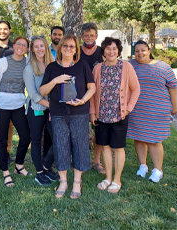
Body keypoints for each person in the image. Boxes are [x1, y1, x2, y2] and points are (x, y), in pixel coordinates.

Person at [40, 34, 96, 199]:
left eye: (72, 46)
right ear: (60, 48)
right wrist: (56, 80)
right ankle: (63, 181)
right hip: (58, 113)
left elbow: (91, 88)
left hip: (79, 112)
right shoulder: (52, 68)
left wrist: (83, 100)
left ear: (76, 50)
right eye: (65, 46)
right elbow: (43, 91)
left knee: (80, 145)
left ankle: (77, 182)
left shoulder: (82, 66)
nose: (68, 49)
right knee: (60, 145)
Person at [90, 37, 140, 193]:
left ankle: (117, 180)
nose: (111, 51)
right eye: (108, 48)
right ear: (103, 51)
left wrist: (129, 108)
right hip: (102, 115)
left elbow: (136, 89)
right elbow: (92, 92)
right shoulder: (97, 68)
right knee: (104, 146)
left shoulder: (126, 67)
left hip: (120, 115)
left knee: (118, 148)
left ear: (118, 50)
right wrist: (92, 112)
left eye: (114, 48)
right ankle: (108, 177)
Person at [127, 40, 177, 183]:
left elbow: (173, 88)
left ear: (149, 50)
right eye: (137, 51)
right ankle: (143, 166)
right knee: (138, 137)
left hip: (157, 110)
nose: (140, 53)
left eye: (143, 50)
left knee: (154, 140)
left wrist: (174, 108)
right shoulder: (130, 66)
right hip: (136, 109)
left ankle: (158, 170)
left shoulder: (163, 67)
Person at [0, 37, 31, 187]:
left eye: (24, 45)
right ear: (14, 45)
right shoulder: (2, 62)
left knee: (26, 137)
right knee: (2, 140)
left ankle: (19, 166)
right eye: (18, 44)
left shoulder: (27, 63)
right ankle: (5, 172)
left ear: (27, 49)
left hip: (19, 105)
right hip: (1, 105)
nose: (20, 47)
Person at [23, 36, 59, 185]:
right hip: (36, 109)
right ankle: (39, 172)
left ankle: (46, 166)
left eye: (42, 46)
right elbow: (34, 95)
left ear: (46, 47)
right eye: (36, 47)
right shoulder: (29, 68)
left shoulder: (53, 65)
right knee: (36, 140)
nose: (39, 49)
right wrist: (51, 106)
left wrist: (53, 107)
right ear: (32, 49)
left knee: (57, 139)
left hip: (51, 109)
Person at [80, 22, 105, 175]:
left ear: (96, 36)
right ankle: (82, 159)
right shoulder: (76, 51)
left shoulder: (103, 52)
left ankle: (96, 161)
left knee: (99, 131)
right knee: (80, 131)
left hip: (100, 97)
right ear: (81, 36)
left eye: (92, 35)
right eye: (86, 35)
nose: (89, 38)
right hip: (81, 96)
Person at [0, 20, 15, 163]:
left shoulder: (15, 49)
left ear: (9, 30)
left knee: (8, 125)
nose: (3, 31)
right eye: (0, 29)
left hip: (9, 93)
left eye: (5, 29)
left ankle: (6, 152)